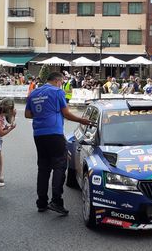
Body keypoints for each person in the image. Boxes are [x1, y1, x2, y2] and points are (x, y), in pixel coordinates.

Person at [25, 72, 92, 214]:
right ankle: (56, 201)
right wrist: (82, 120)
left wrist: (42, 113)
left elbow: (28, 114)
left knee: (43, 168)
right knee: (59, 165)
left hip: (38, 134)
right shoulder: (57, 92)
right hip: (54, 133)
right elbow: (66, 113)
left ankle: (41, 202)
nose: (61, 84)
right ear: (57, 81)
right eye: (61, 82)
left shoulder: (34, 93)